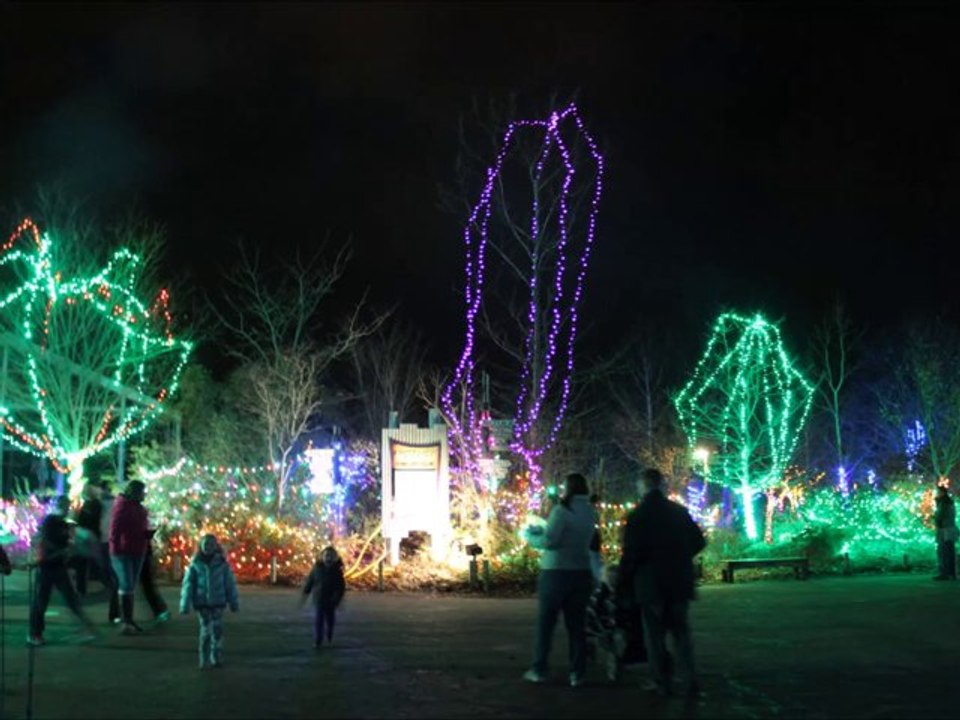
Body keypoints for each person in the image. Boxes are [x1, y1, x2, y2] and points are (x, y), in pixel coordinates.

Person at [619, 468, 706, 698]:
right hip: (678, 580)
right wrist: (680, 556)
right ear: (660, 485)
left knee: (655, 636)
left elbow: (631, 554)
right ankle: (690, 680)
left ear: (643, 485)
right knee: (681, 633)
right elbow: (699, 541)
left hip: (651, 583)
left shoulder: (638, 516)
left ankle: (662, 681)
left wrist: (624, 580)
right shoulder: (678, 512)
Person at [522, 472, 597, 688]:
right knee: (577, 625)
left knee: (547, 623)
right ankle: (577, 672)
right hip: (581, 571)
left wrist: (531, 537)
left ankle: (539, 668)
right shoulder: (590, 512)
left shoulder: (562, 511)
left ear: (569, 488)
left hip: (556, 571)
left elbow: (550, 540)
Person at [28, 495, 99, 646]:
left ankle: (86, 628)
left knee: (70, 599)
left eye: (68, 505)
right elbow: (46, 542)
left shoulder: (63, 524)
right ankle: (35, 634)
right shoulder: (50, 521)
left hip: (59, 566)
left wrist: (69, 551)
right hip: (47, 567)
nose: (67, 508)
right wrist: (62, 551)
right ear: (58, 505)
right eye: (64, 505)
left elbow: (66, 543)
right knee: (41, 601)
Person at [179, 534, 239, 669]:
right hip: (202, 603)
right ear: (200, 546)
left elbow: (230, 585)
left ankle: (216, 655)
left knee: (217, 629)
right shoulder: (195, 565)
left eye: (211, 545)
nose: (208, 547)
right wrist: (185, 604)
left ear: (215, 547)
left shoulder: (222, 565)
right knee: (205, 630)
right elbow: (188, 585)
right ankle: (204, 657)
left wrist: (233, 602)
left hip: (218, 602)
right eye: (206, 544)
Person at [109, 480, 150, 635]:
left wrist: (146, 534)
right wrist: (116, 549)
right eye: (142, 492)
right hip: (123, 552)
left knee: (130, 585)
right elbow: (115, 530)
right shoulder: (123, 506)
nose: (144, 495)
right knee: (126, 584)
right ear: (135, 492)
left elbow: (140, 527)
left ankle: (129, 620)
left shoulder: (140, 508)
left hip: (137, 550)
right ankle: (126, 621)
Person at [301, 546, 346, 648]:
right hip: (319, 599)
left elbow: (341, 587)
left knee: (330, 620)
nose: (328, 558)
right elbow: (311, 581)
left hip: (331, 601)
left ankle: (329, 633)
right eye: (326, 556)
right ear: (322, 557)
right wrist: (306, 591)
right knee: (319, 620)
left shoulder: (337, 572)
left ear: (334, 558)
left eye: (330, 556)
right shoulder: (317, 569)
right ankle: (318, 640)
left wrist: (338, 597)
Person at [140, 526, 171, 623]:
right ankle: (160, 609)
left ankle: (160, 609)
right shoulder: (141, 514)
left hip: (136, 550)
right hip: (140, 549)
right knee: (146, 583)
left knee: (145, 583)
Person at [933, 485, 958, 581]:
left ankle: (945, 573)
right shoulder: (949, 502)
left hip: (945, 530)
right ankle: (951, 572)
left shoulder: (943, 503)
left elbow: (940, 516)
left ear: (942, 493)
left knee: (944, 552)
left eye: (938, 492)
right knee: (950, 551)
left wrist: (936, 520)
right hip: (950, 529)